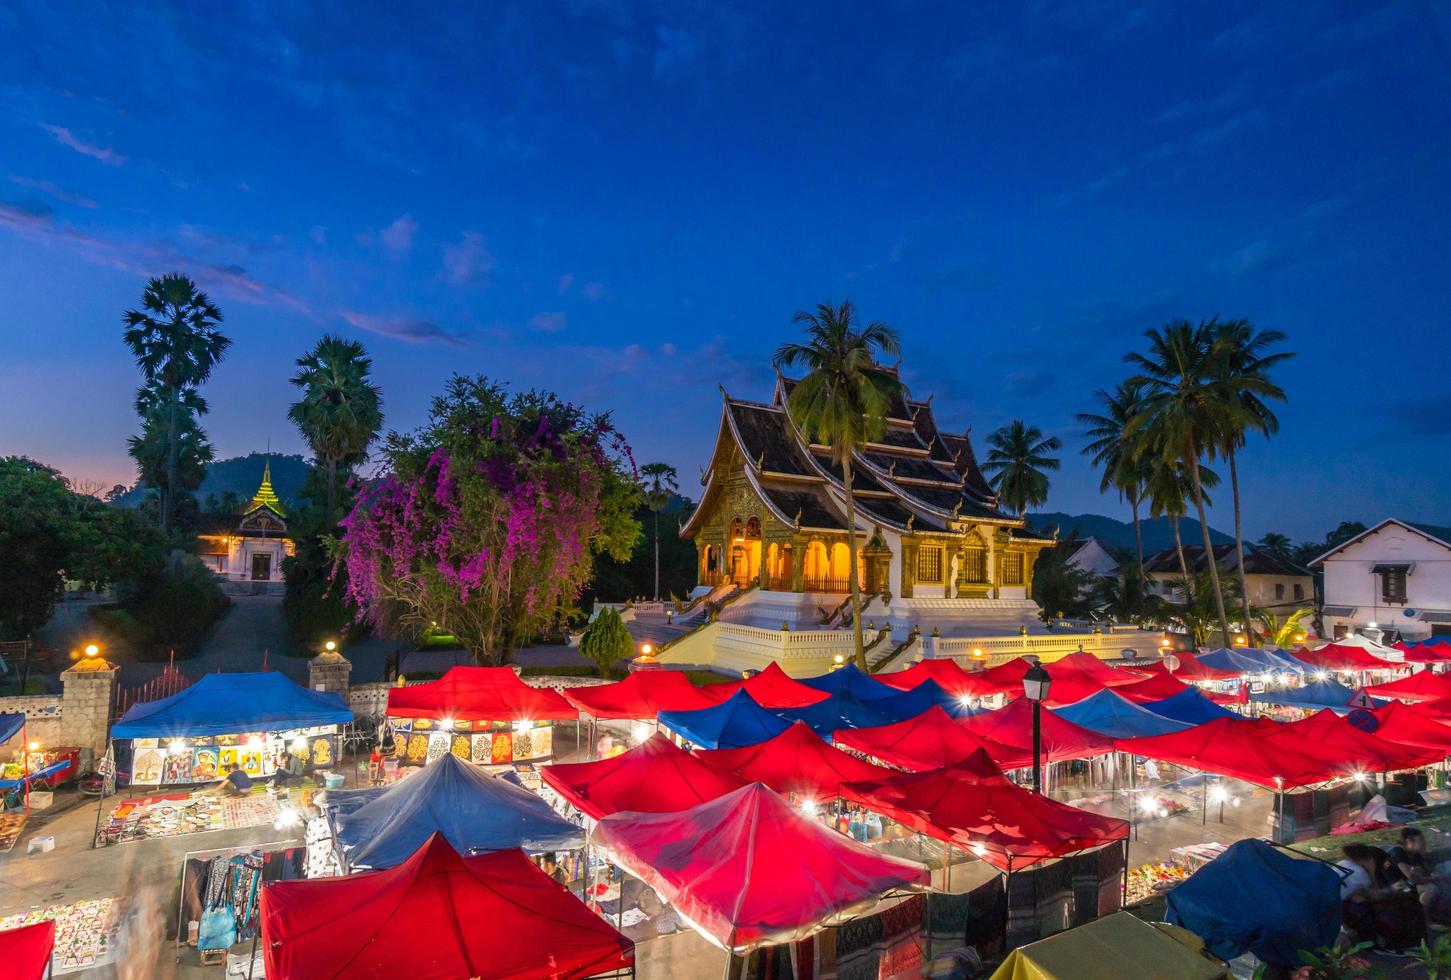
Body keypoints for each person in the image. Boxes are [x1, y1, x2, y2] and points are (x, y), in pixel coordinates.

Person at [1337, 843, 1425, 951]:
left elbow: (1360, 894)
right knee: (1382, 909)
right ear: (1368, 859)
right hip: (1339, 911)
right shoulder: (1360, 872)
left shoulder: (1343, 863)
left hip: (1334, 909)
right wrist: (1392, 890)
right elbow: (1374, 896)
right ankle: (1383, 945)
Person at [1389, 827, 1447, 920]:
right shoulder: (1398, 853)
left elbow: (1428, 870)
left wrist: (1434, 874)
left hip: (1410, 883)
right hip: (1396, 886)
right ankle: (1427, 921)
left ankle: (1440, 915)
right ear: (1409, 841)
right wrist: (1436, 878)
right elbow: (1414, 880)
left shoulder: (1416, 853)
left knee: (1443, 883)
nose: (1424, 843)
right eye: (1421, 840)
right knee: (1430, 889)